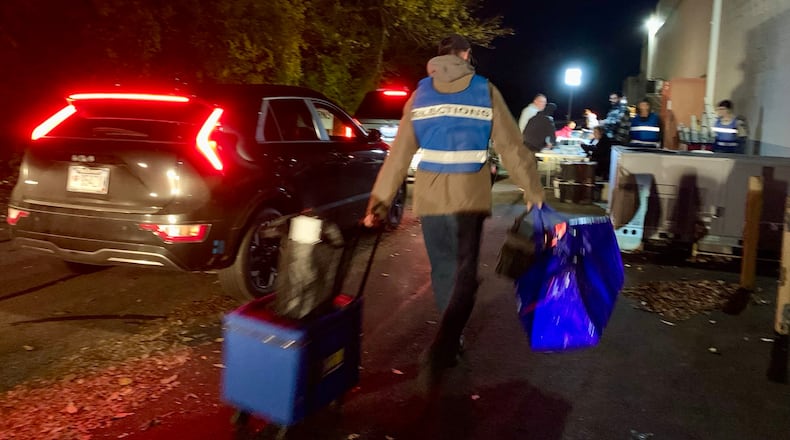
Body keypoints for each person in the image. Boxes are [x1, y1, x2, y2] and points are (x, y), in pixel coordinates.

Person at [362, 34, 544, 382]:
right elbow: (512, 148)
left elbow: (399, 155)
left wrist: (380, 202)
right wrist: (533, 190)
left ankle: (450, 338)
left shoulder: (420, 95)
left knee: (445, 271)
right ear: (466, 55)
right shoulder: (484, 90)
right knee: (464, 276)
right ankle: (444, 345)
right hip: (468, 200)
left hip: (430, 202)